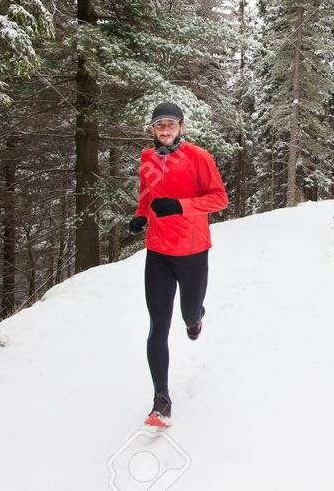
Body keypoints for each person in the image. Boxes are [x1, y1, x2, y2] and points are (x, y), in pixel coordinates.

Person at [128, 102, 228, 428]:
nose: (165, 129)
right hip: (157, 252)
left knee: (188, 313)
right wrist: (141, 216)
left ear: (182, 127)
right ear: (153, 130)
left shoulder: (200, 157)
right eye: (160, 125)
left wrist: (180, 206)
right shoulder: (147, 159)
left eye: (171, 124)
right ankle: (161, 401)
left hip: (193, 251)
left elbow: (219, 199)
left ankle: (195, 320)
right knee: (157, 326)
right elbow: (147, 192)